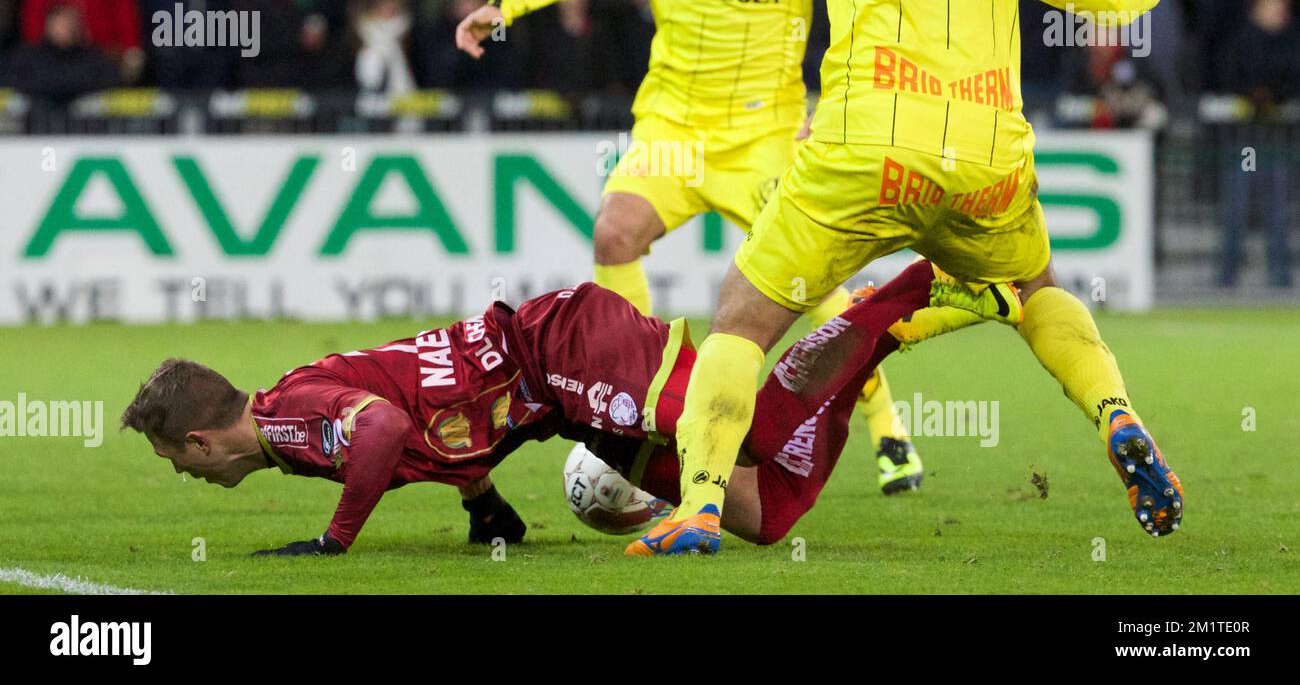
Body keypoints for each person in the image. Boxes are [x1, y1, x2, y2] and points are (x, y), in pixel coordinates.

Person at [519, 0, 1191, 555]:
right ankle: (1115, 411)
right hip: (987, 156)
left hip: (865, 148)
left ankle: (699, 505)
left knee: (741, 321)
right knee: (1038, 289)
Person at [456, 0, 926, 496]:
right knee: (614, 232)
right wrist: (504, 6)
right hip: (672, 127)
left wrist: (835, 106)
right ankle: (642, 408)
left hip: (766, 136)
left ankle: (890, 434)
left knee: (816, 288)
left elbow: (863, 11)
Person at [120, 262, 1017, 556]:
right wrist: (481, 505)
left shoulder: (286, 426)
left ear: (200, 438)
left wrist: (335, 540)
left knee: (750, 431)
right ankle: (891, 332)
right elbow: (426, 420)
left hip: (564, 352)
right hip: (557, 404)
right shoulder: (295, 408)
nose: (188, 476)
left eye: (177, 461)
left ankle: (907, 289)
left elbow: (390, 428)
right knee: (764, 513)